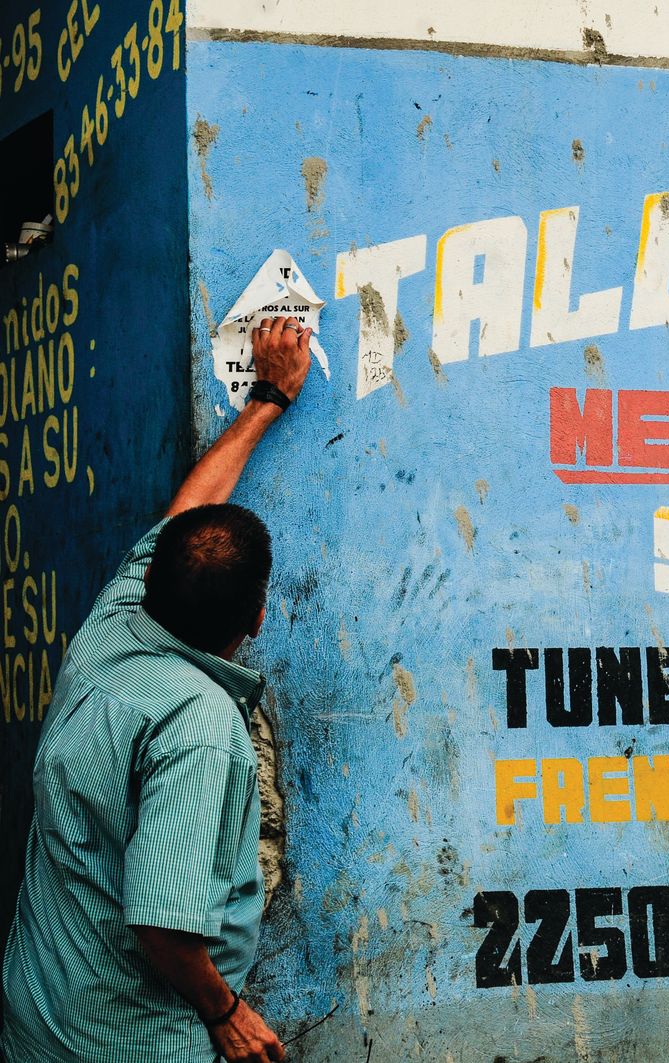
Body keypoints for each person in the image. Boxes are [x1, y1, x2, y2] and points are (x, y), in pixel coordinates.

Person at [1, 317, 312, 1063]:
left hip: (39, 1014)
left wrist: (263, 400)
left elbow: (186, 517)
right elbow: (163, 921)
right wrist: (227, 1012)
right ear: (259, 618)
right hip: (130, 1041)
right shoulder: (200, 724)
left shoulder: (110, 626)